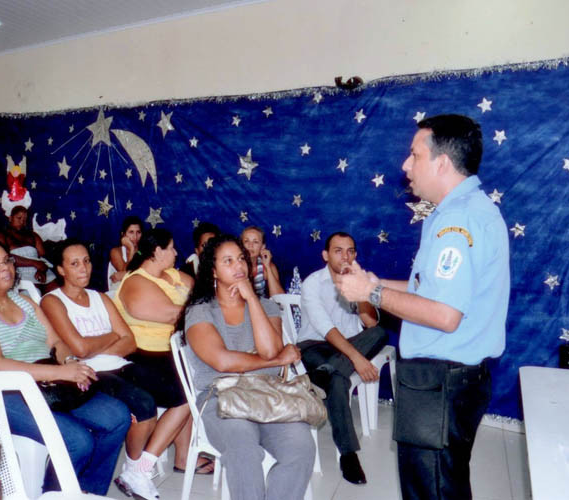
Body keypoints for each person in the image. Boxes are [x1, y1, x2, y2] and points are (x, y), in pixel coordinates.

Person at [335, 114, 510, 500]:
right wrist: (374, 285)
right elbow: (427, 290)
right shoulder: (464, 211)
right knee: (441, 484)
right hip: (448, 379)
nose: (405, 165)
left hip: (439, 382)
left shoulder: (457, 222)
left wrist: (373, 294)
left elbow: (444, 315)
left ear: (441, 162)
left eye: (414, 155)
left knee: (431, 489)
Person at [0, 239, 130, 495]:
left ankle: (85, 492)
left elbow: (56, 342)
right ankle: (55, 495)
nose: (5, 269)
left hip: (47, 384)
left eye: (6, 261)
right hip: (4, 393)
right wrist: (59, 372)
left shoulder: (25, 301)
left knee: (117, 417)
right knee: (78, 441)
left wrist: (70, 363)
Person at [43, 238, 192, 499]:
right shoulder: (53, 301)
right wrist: (110, 337)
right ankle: (135, 470)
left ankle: (139, 469)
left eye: (87, 262)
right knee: (144, 405)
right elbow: (79, 349)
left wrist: (97, 344)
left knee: (184, 395)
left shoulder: (99, 297)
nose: (83, 269)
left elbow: (129, 341)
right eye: (74, 264)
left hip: (121, 365)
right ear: (61, 270)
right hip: (91, 372)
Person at [184, 233, 315, 500]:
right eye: (228, 261)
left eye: (241, 259)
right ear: (213, 271)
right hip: (221, 397)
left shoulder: (266, 306)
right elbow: (222, 361)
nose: (239, 266)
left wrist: (252, 300)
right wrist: (277, 361)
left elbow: (268, 348)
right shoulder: (200, 311)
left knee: (301, 447)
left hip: (268, 394)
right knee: (243, 448)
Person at [113, 228, 214, 475]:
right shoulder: (136, 282)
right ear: (157, 251)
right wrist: (198, 309)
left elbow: (202, 296)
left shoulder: (171, 275)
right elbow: (174, 314)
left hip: (173, 352)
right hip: (141, 355)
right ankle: (143, 463)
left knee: (201, 379)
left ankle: (183, 457)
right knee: (186, 393)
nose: (176, 253)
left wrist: (198, 307)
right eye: (171, 248)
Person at [295, 231, 386, 485]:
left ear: (355, 254)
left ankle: (328, 370)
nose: (345, 256)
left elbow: (370, 324)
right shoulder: (312, 283)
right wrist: (356, 358)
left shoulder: (360, 280)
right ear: (326, 255)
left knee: (380, 333)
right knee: (338, 381)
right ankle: (348, 455)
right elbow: (326, 328)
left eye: (350, 251)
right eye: (338, 250)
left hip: (341, 352)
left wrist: (361, 295)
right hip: (314, 346)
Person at [0, 206, 54, 287]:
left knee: (57, 292)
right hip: (18, 271)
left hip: (39, 269)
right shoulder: (2, 235)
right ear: (10, 218)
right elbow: (3, 257)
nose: (22, 222)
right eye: (19, 218)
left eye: (24, 220)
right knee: (33, 293)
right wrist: (33, 263)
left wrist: (42, 270)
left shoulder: (33, 236)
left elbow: (43, 257)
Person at [241, 226, 284, 297]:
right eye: (246, 241)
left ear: (262, 247)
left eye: (255, 242)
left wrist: (268, 267)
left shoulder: (267, 266)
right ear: (241, 245)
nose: (250, 245)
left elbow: (279, 298)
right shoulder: (236, 266)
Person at [108, 216, 143, 291]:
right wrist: (131, 249)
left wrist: (123, 274)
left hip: (141, 287)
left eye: (138, 232)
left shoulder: (144, 251)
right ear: (123, 234)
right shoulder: (115, 251)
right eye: (131, 232)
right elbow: (126, 275)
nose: (135, 237)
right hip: (121, 289)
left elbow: (124, 275)